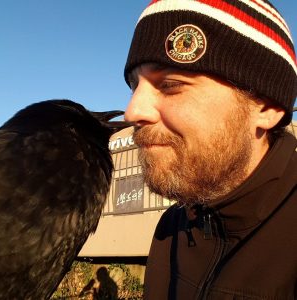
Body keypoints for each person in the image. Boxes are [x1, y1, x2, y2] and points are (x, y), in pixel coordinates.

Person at [123, 0, 297, 299]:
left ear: (267, 107)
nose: (132, 112)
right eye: (134, 87)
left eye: (170, 84)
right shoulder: (172, 228)